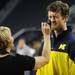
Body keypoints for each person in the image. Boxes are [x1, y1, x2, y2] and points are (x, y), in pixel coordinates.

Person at [36, 1, 75, 75]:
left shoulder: (72, 43)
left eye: (55, 17)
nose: (52, 20)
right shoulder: (46, 42)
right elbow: (39, 70)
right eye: (50, 17)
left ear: (65, 18)